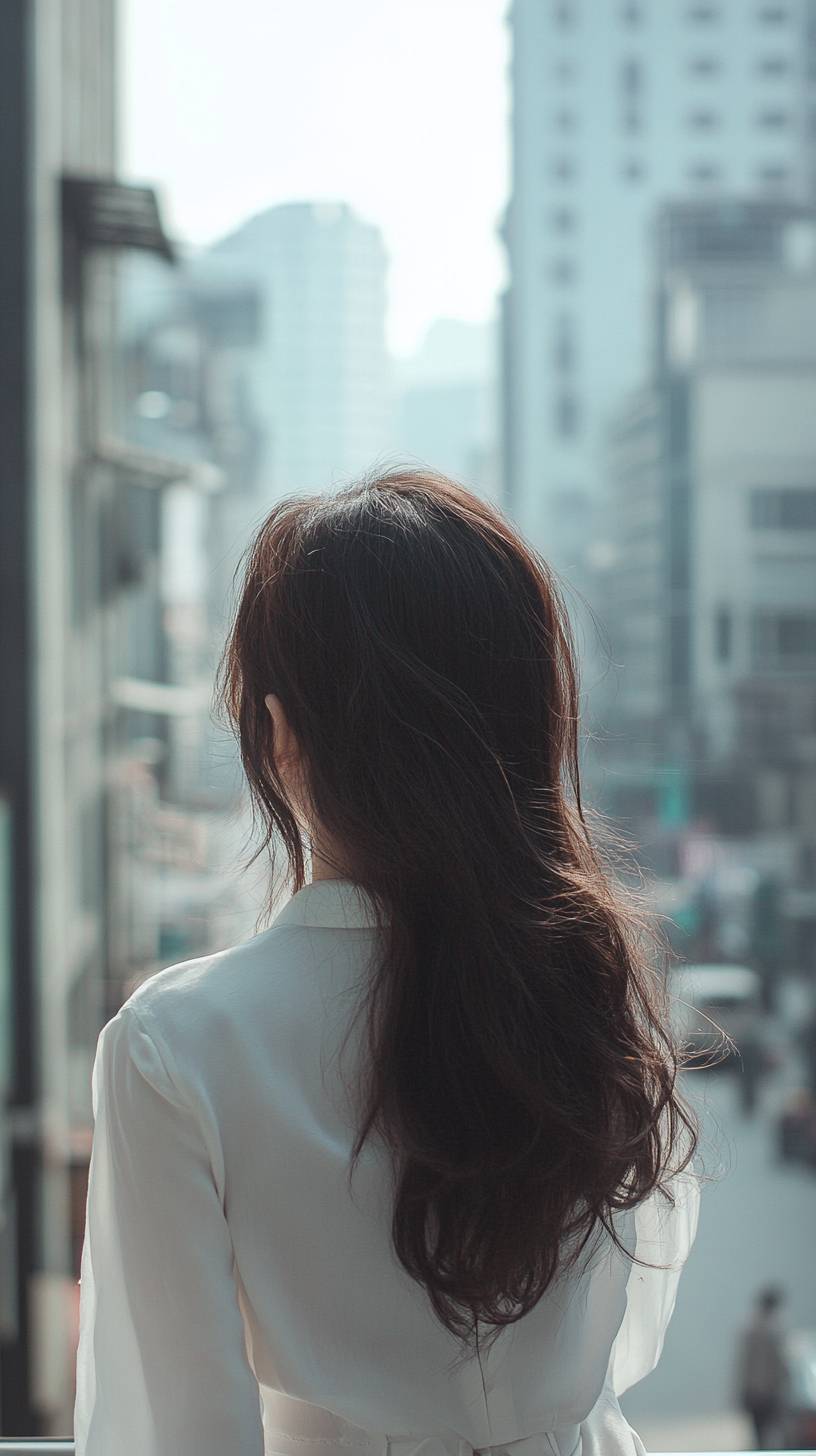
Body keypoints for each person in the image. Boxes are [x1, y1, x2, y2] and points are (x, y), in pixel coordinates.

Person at [74, 468, 702, 1456]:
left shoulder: (175, 1045)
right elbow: (618, 1358)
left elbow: (178, 1435)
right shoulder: (589, 980)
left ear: (278, 736)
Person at [735, 1286, 790, 1450]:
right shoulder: (775, 1330)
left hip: (755, 1392)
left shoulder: (751, 1328)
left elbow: (743, 1365)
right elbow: (780, 1365)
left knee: (760, 1434)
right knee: (769, 1434)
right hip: (769, 1393)